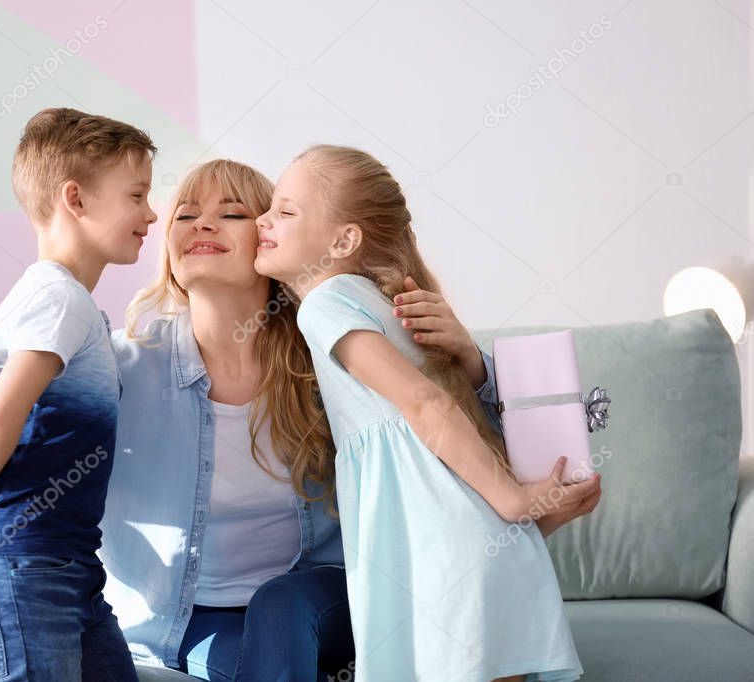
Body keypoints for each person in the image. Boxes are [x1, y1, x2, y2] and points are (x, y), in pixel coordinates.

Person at [0, 157, 601, 681]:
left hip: (312, 599)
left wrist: (469, 362)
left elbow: (451, 449)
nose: (202, 223)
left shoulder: (329, 355)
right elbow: (4, 439)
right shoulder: (117, 365)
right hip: (177, 623)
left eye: (233, 212)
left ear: (268, 243)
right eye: (184, 214)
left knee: (281, 606)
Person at [253, 144, 598, 681]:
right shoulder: (382, 302)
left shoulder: (325, 303)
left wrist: (514, 501)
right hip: (482, 560)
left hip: (447, 568)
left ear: (344, 240)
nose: (262, 220)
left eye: (285, 211)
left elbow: (425, 402)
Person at [0, 107, 158, 681]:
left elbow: (10, 433)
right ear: (76, 199)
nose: (150, 214)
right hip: (28, 566)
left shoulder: (62, 304)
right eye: (137, 195)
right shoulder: (58, 298)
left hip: (58, 567)